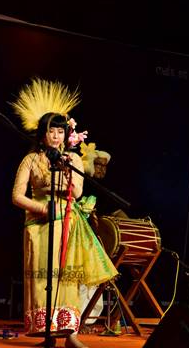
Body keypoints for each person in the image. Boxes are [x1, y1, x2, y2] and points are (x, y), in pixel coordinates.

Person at [11, 78, 118, 348]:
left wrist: (64, 174)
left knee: (66, 279)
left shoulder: (73, 159)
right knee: (42, 279)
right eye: (52, 131)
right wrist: (41, 207)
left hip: (65, 223)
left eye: (60, 131)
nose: (56, 136)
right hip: (38, 226)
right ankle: (47, 335)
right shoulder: (30, 160)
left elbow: (78, 191)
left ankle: (70, 335)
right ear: (42, 134)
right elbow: (16, 196)